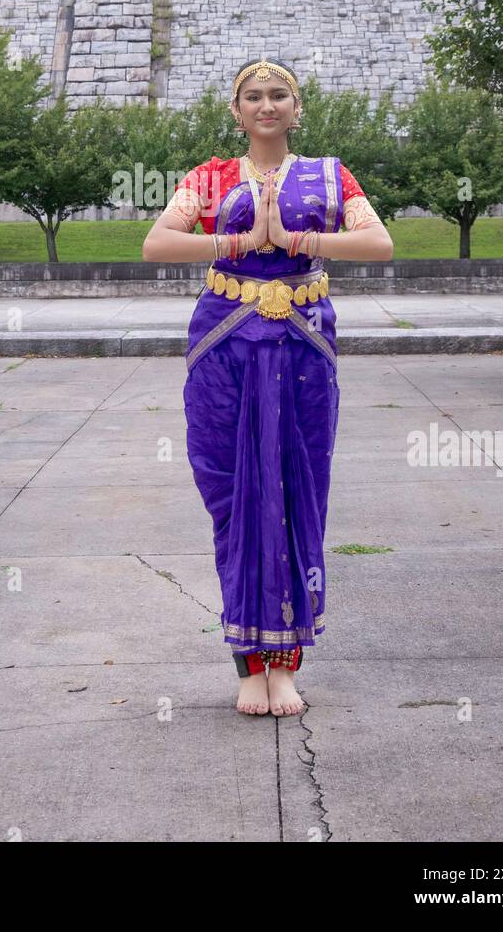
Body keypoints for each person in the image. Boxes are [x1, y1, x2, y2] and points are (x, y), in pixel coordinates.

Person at [142, 57, 393, 717]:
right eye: (253, 96)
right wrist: (240, 242)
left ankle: (285, 666)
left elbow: (380, 243)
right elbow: (156, 244)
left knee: (294, 492)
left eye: (279, 94)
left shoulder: (329, 175)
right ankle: (246, 664)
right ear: (236, 110)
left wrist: (297, 237)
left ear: (296, 106)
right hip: (225, 346)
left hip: (303, 346)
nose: (266, 105)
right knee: (234, 498)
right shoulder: (211, 177)